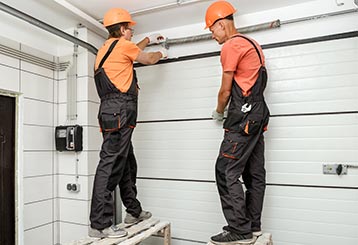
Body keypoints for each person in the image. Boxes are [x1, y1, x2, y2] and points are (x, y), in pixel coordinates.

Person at [89, 8, 168, 238]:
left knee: (126, 163)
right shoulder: (122, 46)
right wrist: (161, 52)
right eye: (130, 29)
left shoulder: (107, 49)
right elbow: (148, 59)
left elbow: (133, 51)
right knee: (111, 165)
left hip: (110, 112)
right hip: (120, 110)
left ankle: (133, 211)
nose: (132, 32)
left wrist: (147, 40)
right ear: (122, 30)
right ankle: (100, 224)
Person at [205, 1, 270, 244]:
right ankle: (252, 225)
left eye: (212, 30)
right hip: (257, 114)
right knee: (254, 173)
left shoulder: (231, 46)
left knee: (225, 170)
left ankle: (239, 229)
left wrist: (219, 112)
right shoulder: (253, 45)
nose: (212, 35)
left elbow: (225, 91)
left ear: (222, 24)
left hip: (242, 117)